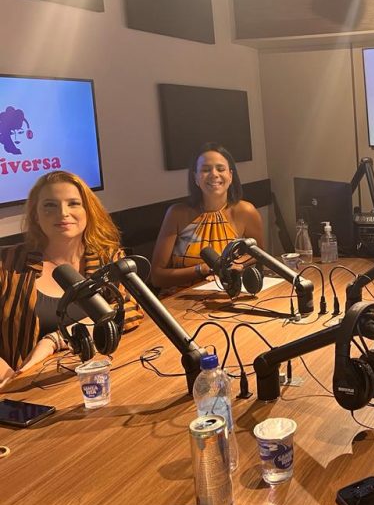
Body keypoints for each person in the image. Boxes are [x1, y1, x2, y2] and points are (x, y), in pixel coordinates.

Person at [0, 171, 143, 386]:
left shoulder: (109, 257)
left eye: (73, 203)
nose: (63, 213)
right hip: (24, 385)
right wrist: (8, 378)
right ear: (35, 215)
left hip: (95, 375)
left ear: (88, 211)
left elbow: (130, 309)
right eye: (50, 205)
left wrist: (55, 340)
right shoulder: (7, 263)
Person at [151, 143, 264, 289]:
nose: (214, 174)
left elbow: (259, 256)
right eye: (205, 170)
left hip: (226, 296)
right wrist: (203, 269)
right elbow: (157, 277)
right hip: (179, 301)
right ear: (196, 178)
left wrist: (235, 266)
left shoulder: (246, 211)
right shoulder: (177, 214)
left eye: (220, 169)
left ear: (230, 176)